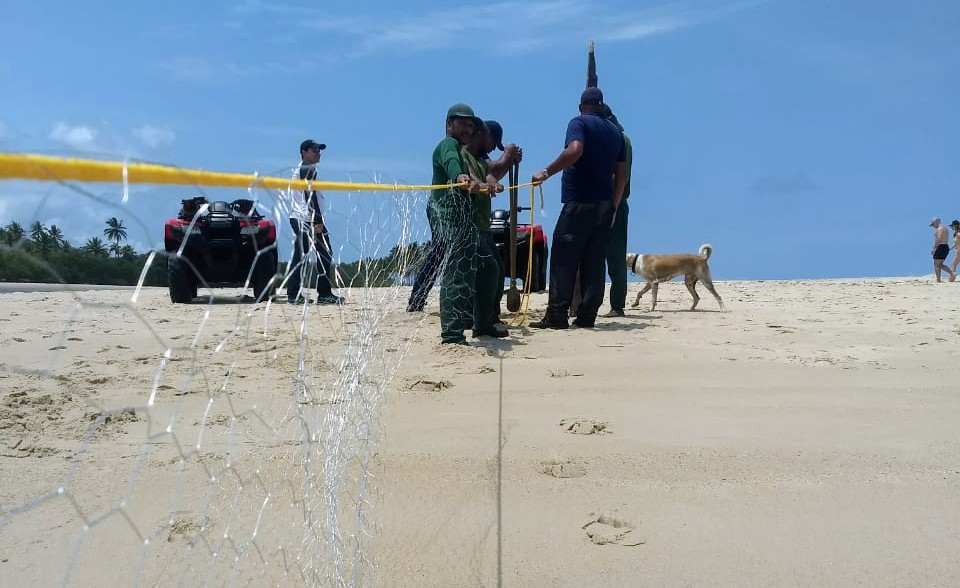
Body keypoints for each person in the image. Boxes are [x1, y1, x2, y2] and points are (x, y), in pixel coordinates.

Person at [529, 87, 627, 329]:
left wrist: (546, 172)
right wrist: (614, 207)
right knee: (595, 261)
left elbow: (575, 150)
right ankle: (587, 316)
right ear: (601, 107)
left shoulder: (579, 123)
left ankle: (557, 315)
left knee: (564, 257)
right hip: (604, 204)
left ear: (581, 106)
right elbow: (621, 175)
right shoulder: (616, 133)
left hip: (580, 201)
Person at [429, 103, 485, 345]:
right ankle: (452, 335)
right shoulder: (448, 146)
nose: (468, 129)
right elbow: (451, 162)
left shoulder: (465, 153)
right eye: (463, 124)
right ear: (449, 124)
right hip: (451, 220)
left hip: (465, 221)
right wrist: (459, 177)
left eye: (471, 125)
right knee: (456, 275)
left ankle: (469, 322)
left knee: (480, 270)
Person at [461, 123, 509, 338]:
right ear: (483, 135)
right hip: (469, 224)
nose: (491, 148)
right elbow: (473, 178)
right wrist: (484, 185)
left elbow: (491, 174)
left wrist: (493, 183)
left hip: (483, 224)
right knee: (486, 270)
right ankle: (479, 322)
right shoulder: (464, 155)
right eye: (492, 142)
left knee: (495, 269)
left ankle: (488, 317)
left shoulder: (481, 158)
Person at [286, 139, 344, 304]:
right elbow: (309, 195)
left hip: (304, 218)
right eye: (314, 150)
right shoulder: (305, 168)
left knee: (312, 254)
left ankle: (298, 294)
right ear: (304, 152)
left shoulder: (307, 168)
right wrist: (317, 220)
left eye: (319, 151)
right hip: (306, 219)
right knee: (318, 254)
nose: (318, 153)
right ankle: (318, 293)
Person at [929, 217, 954, 283]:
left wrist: (934, 248)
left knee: (936, 264)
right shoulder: (945, 228)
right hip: (945, 246)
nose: (933, 226)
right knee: (940, 264)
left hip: (941, 246)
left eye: (933, 224)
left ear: (936, 222)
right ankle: (952, 273)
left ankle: (939, 280)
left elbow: (939, 239)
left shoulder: (940, 229)